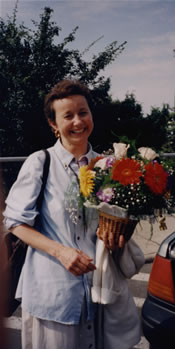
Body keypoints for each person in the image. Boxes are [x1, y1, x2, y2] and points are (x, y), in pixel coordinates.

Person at [3, 79, 142, 349]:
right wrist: (61, 252)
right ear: (54, 125)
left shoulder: (107, 166)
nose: (78, 121)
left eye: (83, 112)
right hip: (55, 293)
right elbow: (15, 221)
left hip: (100, 291)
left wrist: (117, 237)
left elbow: (112, 221)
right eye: (68, 116)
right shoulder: (40, 163)